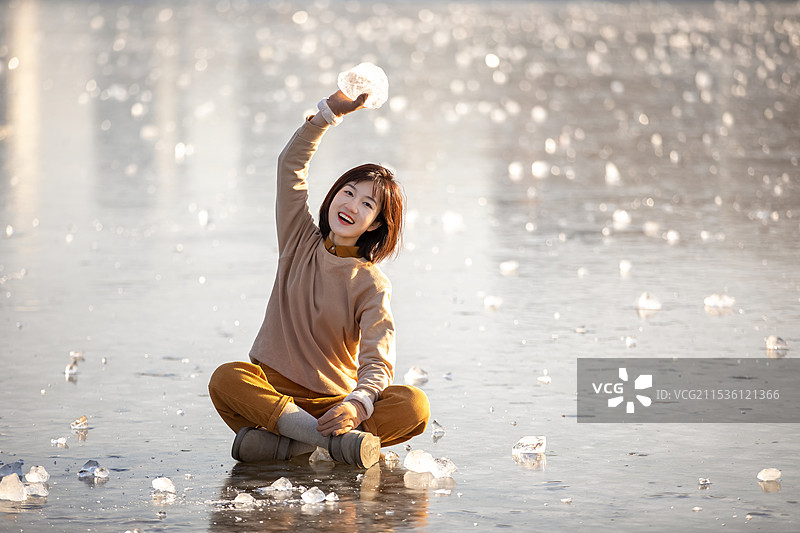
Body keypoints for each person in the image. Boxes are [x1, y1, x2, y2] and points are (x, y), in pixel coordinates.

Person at [208, 88, 430, 469]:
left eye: (367, 204)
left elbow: (378, 361)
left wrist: (356, 406)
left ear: (375, 224)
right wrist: (327, 115)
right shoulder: (298, 239)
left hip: (335, 406)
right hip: (274, 396)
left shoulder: (372, 284)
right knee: (226, 379)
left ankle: (284, 446)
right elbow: (289, 167)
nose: (351, 205)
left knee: (415, 406)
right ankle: (325, 444)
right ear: (334, 195)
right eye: (348, 192)